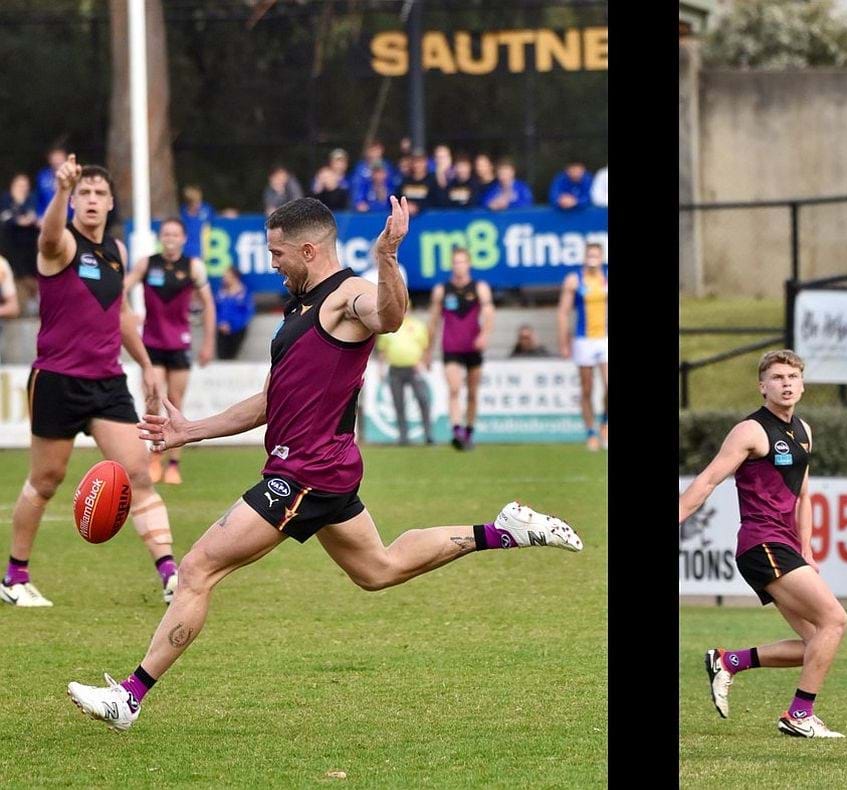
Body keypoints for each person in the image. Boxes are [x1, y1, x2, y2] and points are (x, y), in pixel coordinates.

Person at [66, 196, 582, 731]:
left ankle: (129, 697)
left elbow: (391, 316)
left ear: (308, 250)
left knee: (196, 568)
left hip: (304, 475)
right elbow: (268, 403)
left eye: (277, 253)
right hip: (318, 470)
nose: (271, 263)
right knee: (378, 569)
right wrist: (189, 431)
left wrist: (388, 257)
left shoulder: (348, 295)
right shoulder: (297, 309)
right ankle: (503, 531)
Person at [0, 156, 177, 608]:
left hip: (107, 382)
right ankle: (14, 577)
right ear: (75, 202)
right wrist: (61, 190)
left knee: (138, 473)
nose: (93, 200)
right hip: (58, 379)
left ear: (111, 201)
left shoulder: (115, 251)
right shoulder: (59, 246)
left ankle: (171, 573)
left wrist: (145, 363)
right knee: (46, 480)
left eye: (100, 193)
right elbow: (47, 234)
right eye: (85, 193)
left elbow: (118, 314)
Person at [681, 350, 847, 739]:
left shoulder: (804, 430)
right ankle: (799, 715)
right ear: (762, 386)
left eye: (792, 376)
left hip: (784, 545)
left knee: (815, 643)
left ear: (802, 385)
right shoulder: (749, 431)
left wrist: (806, 549)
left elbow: (804, 494)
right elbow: (706, 482)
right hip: (761, 542)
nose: (786, 383)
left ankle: (729, 661)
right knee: (835, 620)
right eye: (777, 377)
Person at [123, 218, 216, 485]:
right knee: (152, 401)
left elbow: (208, 304)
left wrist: (208, 342)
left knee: (174, 404)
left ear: (184, 238)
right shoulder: (146, 264)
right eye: (166, 233)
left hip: (180, 345)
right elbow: (122, 289)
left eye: (175, 233)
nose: (171, 238)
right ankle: (154, 457)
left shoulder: (193, 267)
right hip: (151, 344)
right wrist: (128, 314)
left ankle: (174, 463)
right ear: (160, 237)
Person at [428, 248, 494, 451]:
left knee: (472, 393)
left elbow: (489, 311)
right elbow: (433, 321)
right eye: (456, 262)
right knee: (455, 388)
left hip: (473, 347)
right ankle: (457, 430)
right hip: (451, 347)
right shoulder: (442, 290)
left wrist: (484, 335)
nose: (459, 266)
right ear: (452, 265)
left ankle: (469, 431)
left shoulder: (480, 288)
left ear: (469, 264)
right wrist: (428, 350)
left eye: (462, 262)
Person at [558, 242, 608, 451]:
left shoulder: (606, 279)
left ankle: (605, 423)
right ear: (584, 258)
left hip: (604, 338)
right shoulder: (574, 280)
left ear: (602, 257)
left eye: (596, 255)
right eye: (589, 255)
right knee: (587, 388)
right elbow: (563, 311)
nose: (592, 259)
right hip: (583, 339)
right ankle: (590, 432)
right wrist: (563, 341)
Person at [376, 312, 433, 445]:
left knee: (423, 400)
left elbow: (425, 347)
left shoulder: (418, 326)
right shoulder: (389, 326)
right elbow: (382, 350)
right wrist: (380, 368)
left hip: (414, 368)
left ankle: (428, 434)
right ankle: (403, 436)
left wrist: (423, 362)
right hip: (395, 369)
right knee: (398, 404)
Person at [0, 173, 39, 306]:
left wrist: (27, 218)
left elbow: (34, 216)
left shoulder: (32, 198)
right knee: (18, 273)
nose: (23, 188)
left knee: (32, 272)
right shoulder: (6, 198)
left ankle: (34, 298)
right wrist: (18, 219)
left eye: (25, 185)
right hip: (11, 243)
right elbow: (5, 218)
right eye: (20, 185)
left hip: (29, 243)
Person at [214, 266, 255, 360]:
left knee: (232, 355)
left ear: (234, 277)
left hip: (237, 330)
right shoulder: (221, 293)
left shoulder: (244, 293)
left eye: (226, 276)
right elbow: (215, 310)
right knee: (222, 355)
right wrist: (220, 323)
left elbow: (246, 314)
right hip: (221, 329)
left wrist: (232, 326)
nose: (224, 279)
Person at [179, 185, 215, 261]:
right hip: (184, 249)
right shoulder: (182, 211)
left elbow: (206, 230)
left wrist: (205, 251)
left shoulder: (206, 209)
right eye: (192, 202)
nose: (196, 205)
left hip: (199, 250)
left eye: (198, 201)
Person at [35, 144, 68, 218]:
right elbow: (38, 199)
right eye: (55, 157)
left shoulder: (72, 176)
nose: (57, 161)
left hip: (67, 219)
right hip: (45, 219)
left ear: (65, 158)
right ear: (50, 159)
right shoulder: (42, 176)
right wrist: (39, 216)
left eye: (60, 157)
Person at [399, 150, 434, 215]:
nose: (418, 165)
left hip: (428, 218)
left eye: (420, 162)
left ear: (425, 162)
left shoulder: (432, 180)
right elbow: (398, 197)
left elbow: (435, 200)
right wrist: (406, 206)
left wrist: (418, 207)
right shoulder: (405, 181)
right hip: (407, 216)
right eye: (415, 162)